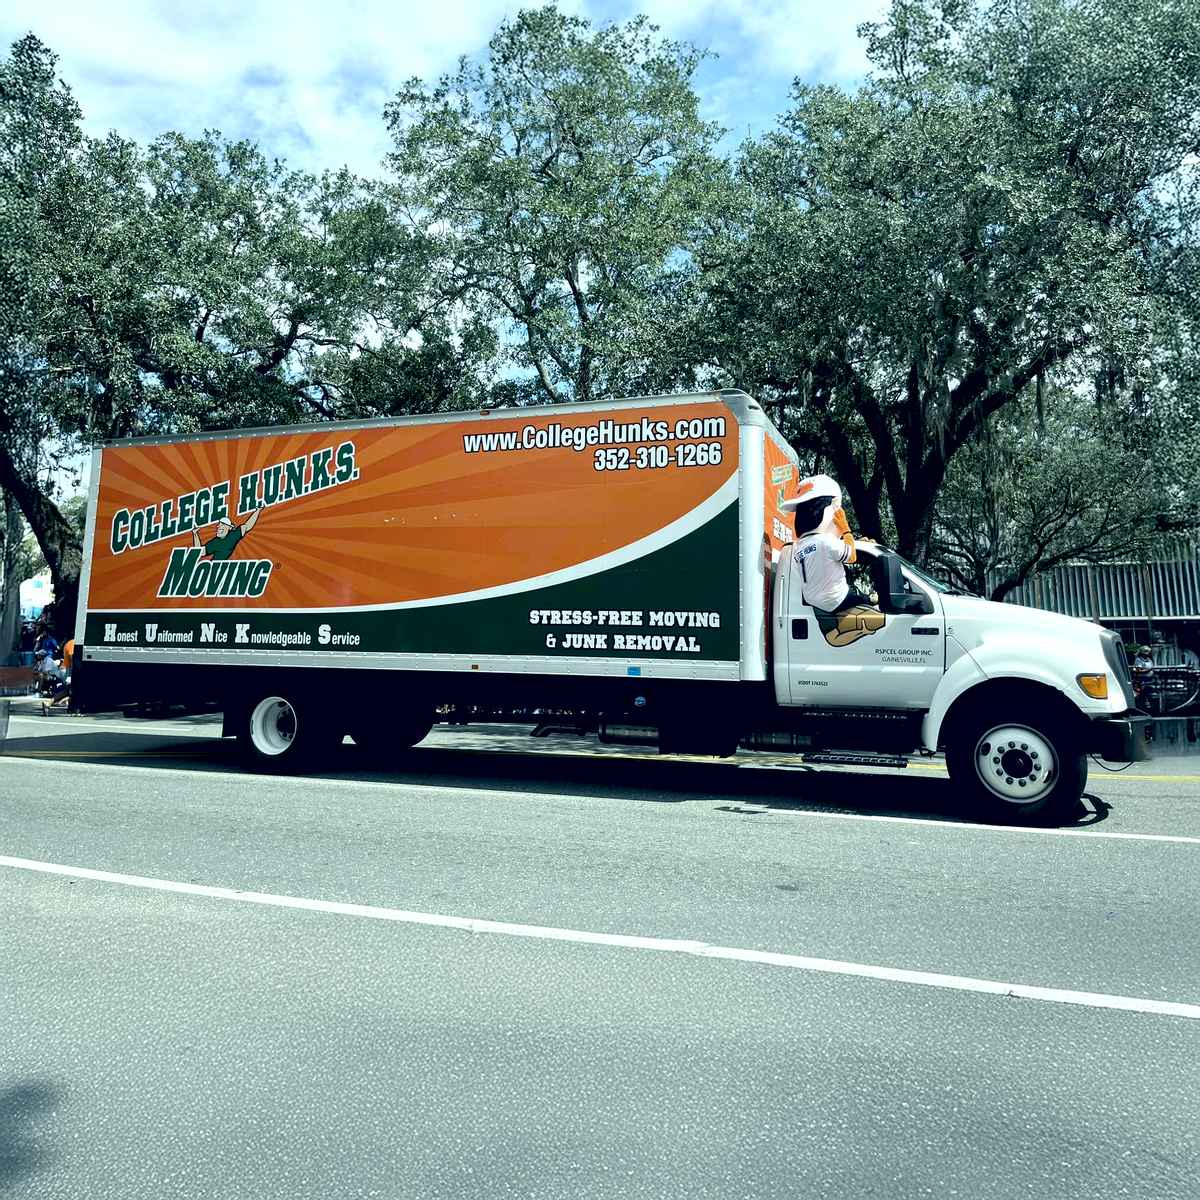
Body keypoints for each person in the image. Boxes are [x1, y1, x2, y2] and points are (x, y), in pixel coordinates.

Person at [782, 474, 871, 613]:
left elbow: (823, 554)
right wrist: (845, 529)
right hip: (836, 600)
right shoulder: (825, 541)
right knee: (869, 600)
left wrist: (855, 542)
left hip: (811, 601)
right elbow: (851, 556)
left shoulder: (799, 546)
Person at [192, 507, 262, 561]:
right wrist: (195, 534)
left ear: (229, 527)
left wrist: (257, 510)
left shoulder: (233, 536)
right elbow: (200, 552)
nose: (218, 526)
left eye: (222, 524)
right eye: (219, 524)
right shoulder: (215, 542)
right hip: (211, 569)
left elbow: (247, 525)